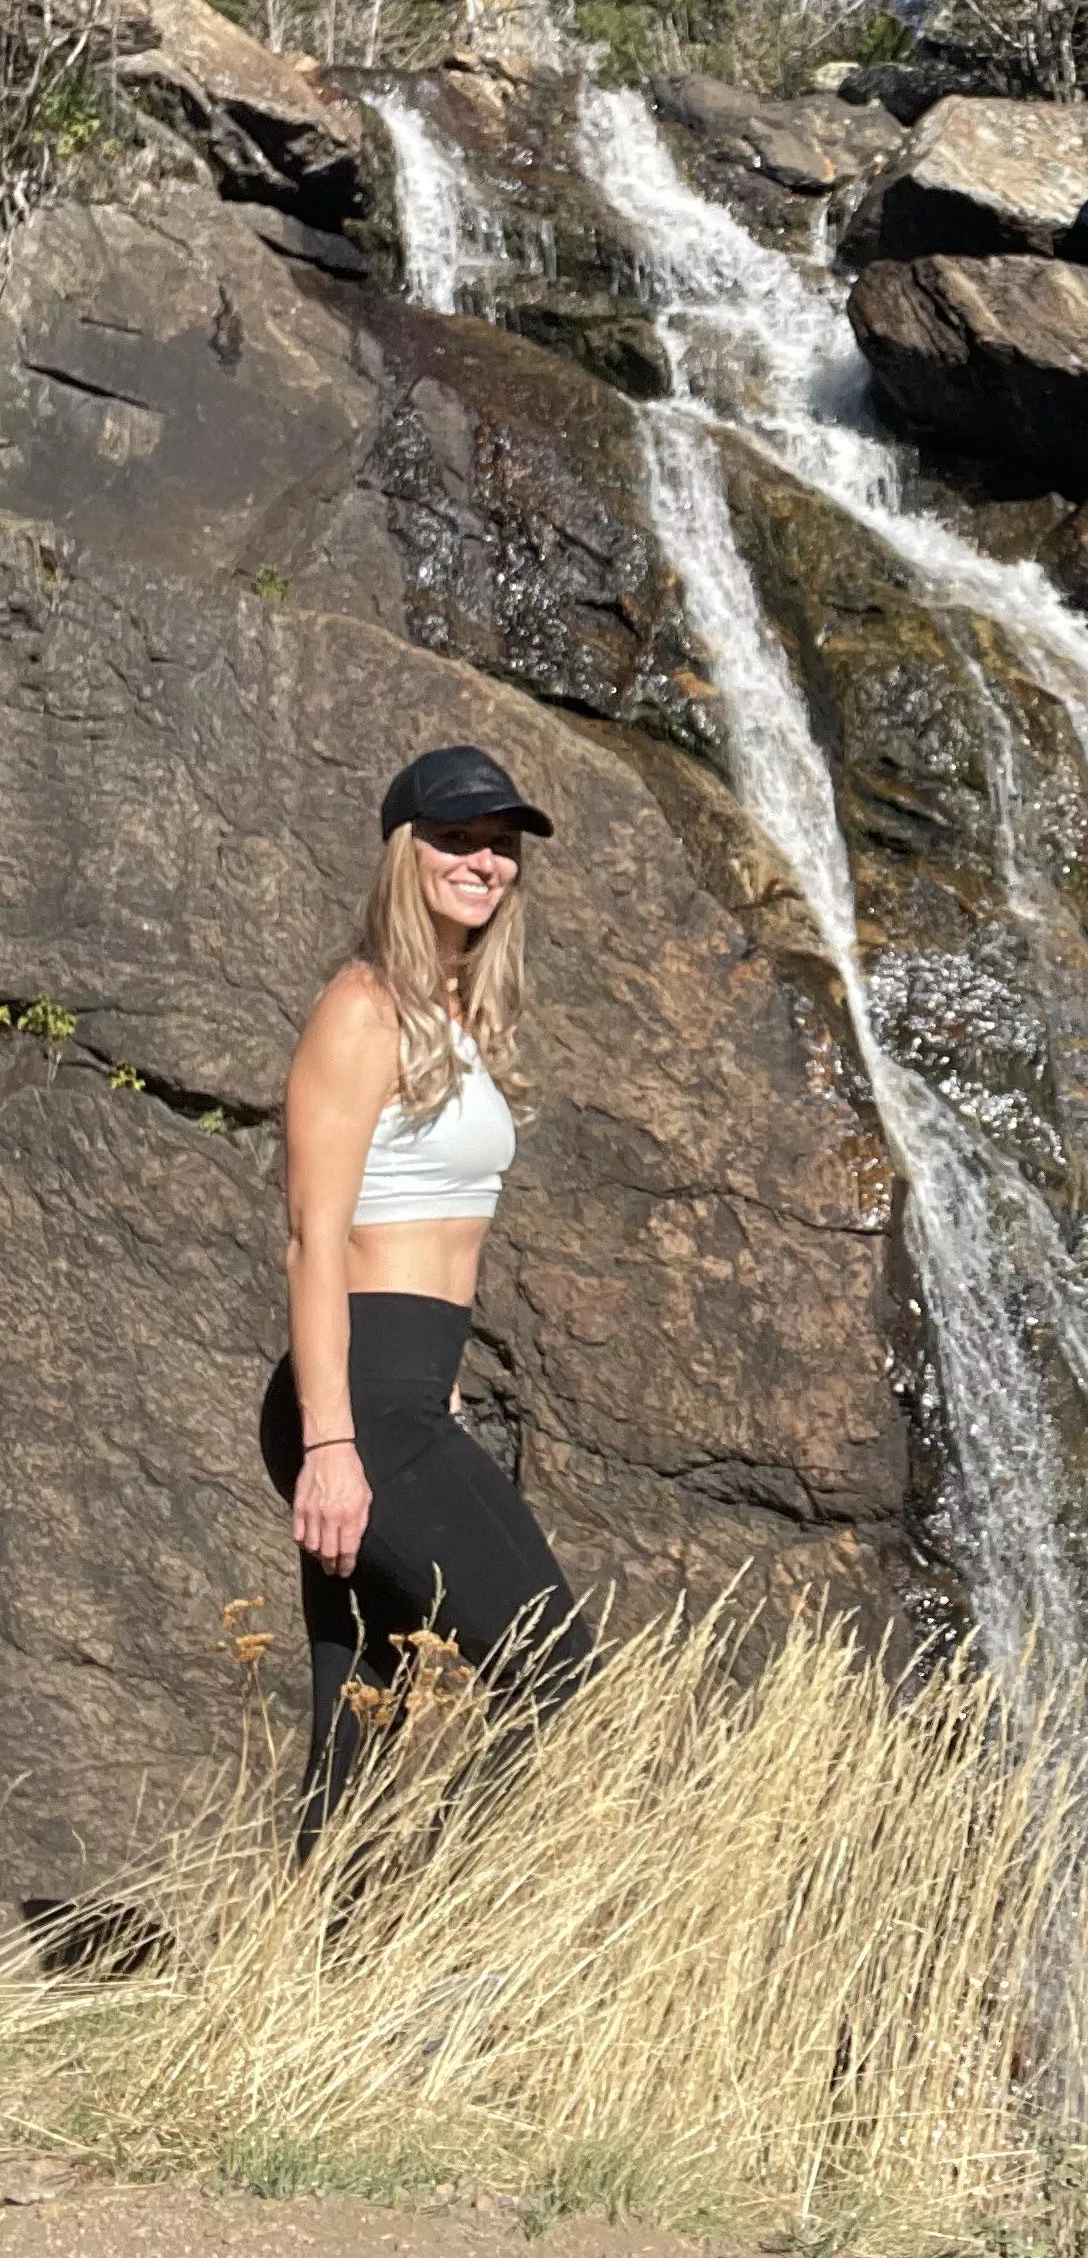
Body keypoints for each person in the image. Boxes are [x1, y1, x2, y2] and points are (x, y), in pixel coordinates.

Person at [259, 743, 593, 1855]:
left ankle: (311, 1985)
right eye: (456, 838)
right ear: (406, 850)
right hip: (360, 1404)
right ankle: (447, 1936)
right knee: (559, 1675)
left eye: (500, 845)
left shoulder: (455, 1015)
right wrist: (334, 1440)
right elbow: (316, 1236)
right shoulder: (362, 1009)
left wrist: (430, 1393)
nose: (484, 861)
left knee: (361, 1721)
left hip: (409, 1394)